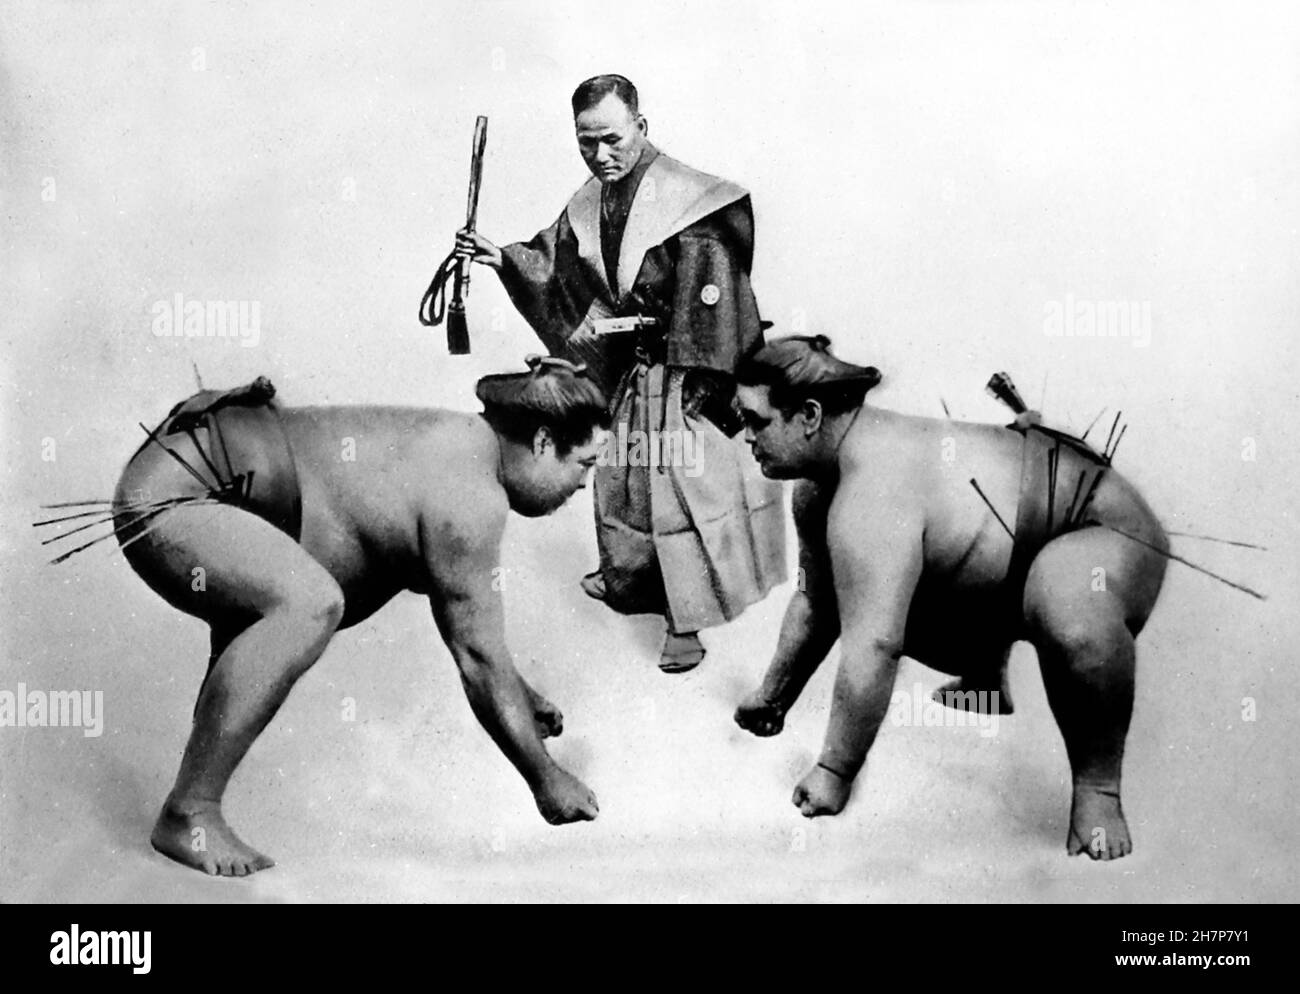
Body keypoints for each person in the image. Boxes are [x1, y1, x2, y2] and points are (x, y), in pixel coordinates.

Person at [110, 357, 607, 876]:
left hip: (216, 483)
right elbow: (477, 652)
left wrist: (518, 696)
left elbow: (472, 629)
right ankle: (189, 811)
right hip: (176, 493)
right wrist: (547, 779)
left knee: (283, 602)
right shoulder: (471, 496)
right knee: (307, 603)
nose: (580, 486)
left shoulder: (461, 445)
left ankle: (191, 806)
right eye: (584, 466)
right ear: (545, 443)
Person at [730, 336, 1168, 860]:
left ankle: (1099, 789)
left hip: (1103, 529)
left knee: (1065, 604)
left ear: (808, 415)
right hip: (1017, 553)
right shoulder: (819, 491)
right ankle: (985, 679)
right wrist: (774, 696)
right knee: (890, 579)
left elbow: (874, 646)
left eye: (756, 422)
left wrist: (834, 768)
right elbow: (817, 601)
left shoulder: (871, 493)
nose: (746, 438)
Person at [456, 74, 785, 673]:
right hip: (634, 372)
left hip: (685, 368)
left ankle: (685, 625)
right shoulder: (592, 198)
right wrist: (500, 256)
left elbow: (713, 295)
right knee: (620, 478)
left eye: (611, 139)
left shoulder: (691, 201)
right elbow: (554, 263)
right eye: (586, 143)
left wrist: (696, 381)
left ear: (641, 126)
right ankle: (629, 582)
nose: (600, 156)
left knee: (677, 489)